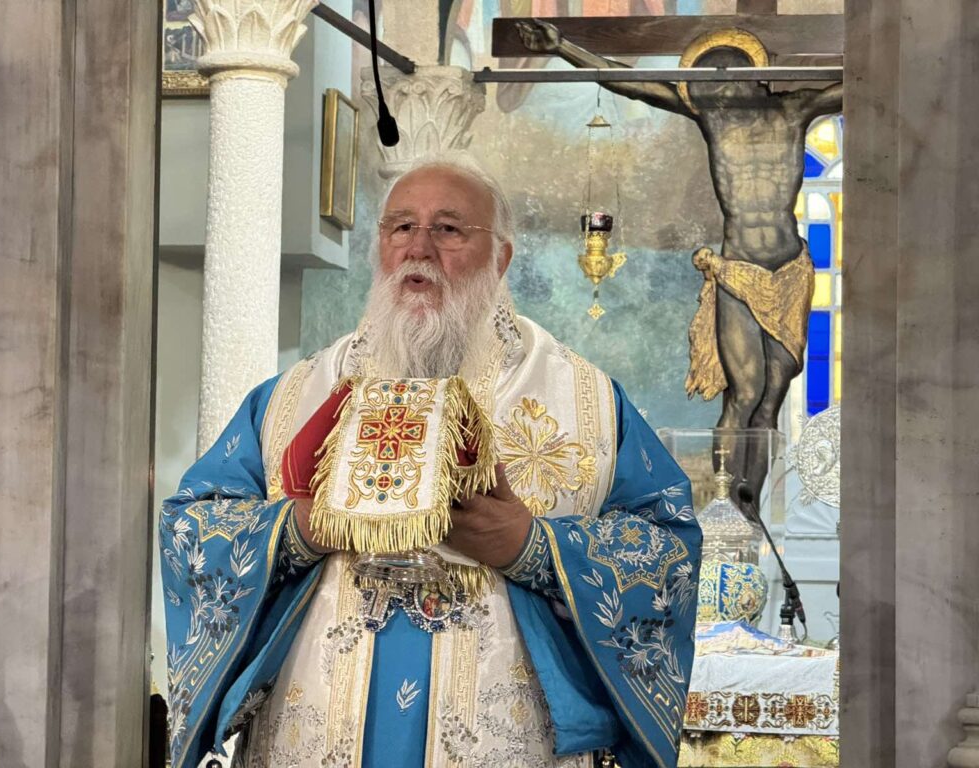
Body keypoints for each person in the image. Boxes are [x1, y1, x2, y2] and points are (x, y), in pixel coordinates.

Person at [160, 156, 702, 768]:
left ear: (500, 258)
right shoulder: (294, 396)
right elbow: (192, 528)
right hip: (313, 734)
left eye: (448, 229)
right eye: (401, 227)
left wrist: (533, 547)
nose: (418, 249)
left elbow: (668, 552)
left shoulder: (586, 401)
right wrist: (302, 528)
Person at [517, 20, 843, 514]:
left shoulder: (793, 108)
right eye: (707, 80)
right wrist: (562, 46)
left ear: (751, 73)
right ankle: (723, 506)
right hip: (736, 268)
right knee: (744, 391)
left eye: (724, 76)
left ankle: (749, 513)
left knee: (771, 398)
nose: (716, 88)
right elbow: (629, 82)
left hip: (790, 273)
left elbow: (859, 84)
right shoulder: (713, 116)